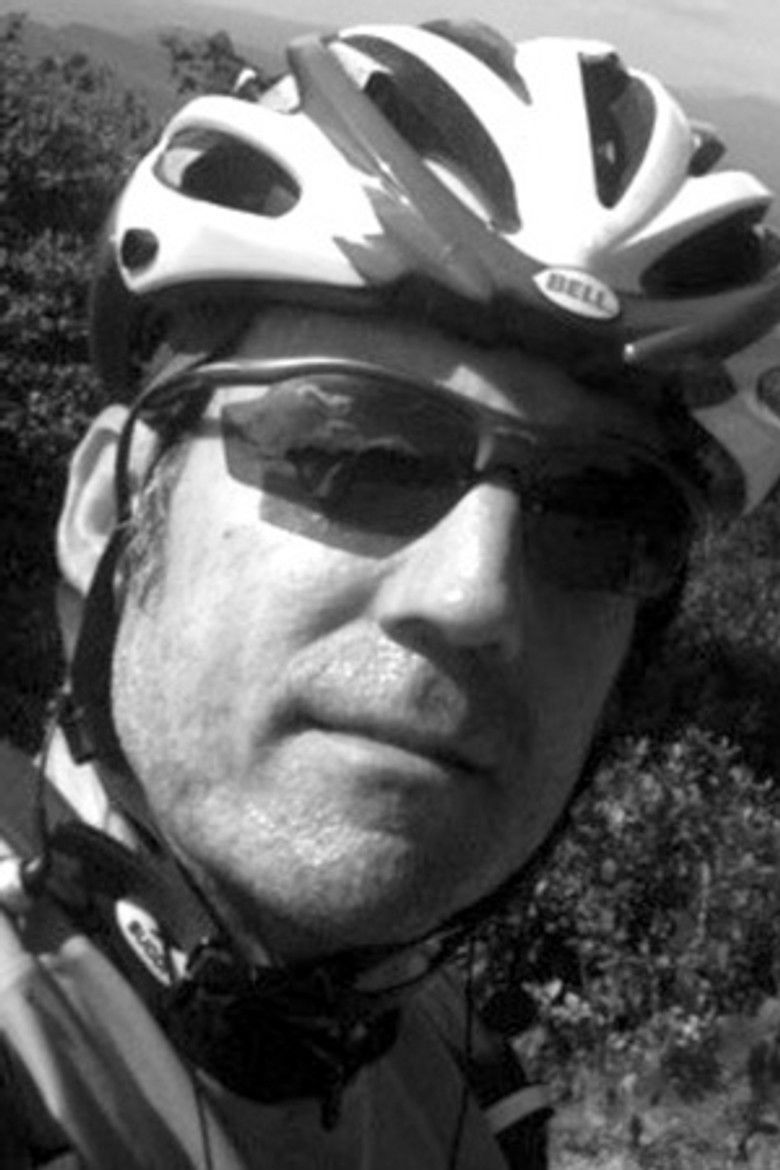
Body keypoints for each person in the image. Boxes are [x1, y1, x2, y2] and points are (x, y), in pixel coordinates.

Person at [2, 17, 780, 1169]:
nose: (475, 594)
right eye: (354, 450)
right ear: (110, 509)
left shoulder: (463, 1076)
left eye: (602, 515)